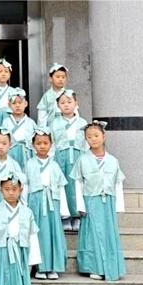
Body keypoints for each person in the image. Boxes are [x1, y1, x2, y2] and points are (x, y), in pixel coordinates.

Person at [70, 121, 126, 281]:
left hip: (107, 202)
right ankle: (94, 267)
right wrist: (80, 205)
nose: (93, 139)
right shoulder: (82, 159)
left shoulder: (113, 160)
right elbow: (78, 183)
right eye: (89, 137)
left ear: (103, 136)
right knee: (92, 234)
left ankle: (111, 267)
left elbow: (118, 184)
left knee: (108, 234)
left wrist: (118, 206)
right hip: (90, 200)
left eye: (96, 135)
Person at [24, 128, 69, 280]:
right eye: (38, 143)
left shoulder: (54, 165)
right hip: (35, 202)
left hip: (52, 203)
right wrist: (24, 206)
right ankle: (40, 267)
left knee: (53, 234)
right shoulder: (29, 164)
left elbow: (60, 187)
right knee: (38, 234)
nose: (42, 146)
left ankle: (53, 266)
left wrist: (63, 209)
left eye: (45, 143)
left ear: (51, 144)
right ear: (33, 145)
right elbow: (26, 186)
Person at [50, 89, 88, 231]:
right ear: (58, 105)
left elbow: (87, 143)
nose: (66, 105)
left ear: (76, 103)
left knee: (76, 186)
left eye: (69, 102)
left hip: (78, 156)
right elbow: (52, 143)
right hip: (60, 157)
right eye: (62, 102)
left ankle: (77, 216)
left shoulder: (82, 122)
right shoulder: (54, 123)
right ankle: (64, 216)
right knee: (62, 185)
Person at [0, 88, 37, 166]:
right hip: (11, 152)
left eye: (20, 102)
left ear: (26, 104)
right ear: (9, 105)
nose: (17, 105)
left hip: (27, 153)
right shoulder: (6, 122)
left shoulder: (31, 122)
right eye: (14, 103)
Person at [36, 62, 67, 127]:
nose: (61, 79)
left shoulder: (69, 94)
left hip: (66, 126)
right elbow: (42, 116)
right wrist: (42, 130)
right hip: (51, 127)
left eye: (63, 77)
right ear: (50, 78)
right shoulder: (47, 96)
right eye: (58, 77)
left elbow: (75, 112)